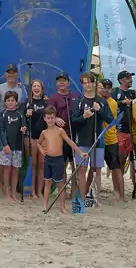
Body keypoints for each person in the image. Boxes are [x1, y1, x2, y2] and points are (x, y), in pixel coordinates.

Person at [70, 74, 112, 205]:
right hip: (82, 140)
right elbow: (73, 121)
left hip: (97, 140)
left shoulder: (101, 101)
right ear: (82, 85)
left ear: (94, 84)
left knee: (97, 169)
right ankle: (82, 198)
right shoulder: (79, 101)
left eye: (90, 82)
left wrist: (100, 111)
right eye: (85, 83)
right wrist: (84, 116)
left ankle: (96, 198)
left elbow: (111, 120)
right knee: (81, 169)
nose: (87, 85)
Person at [38, 105, 84, 214]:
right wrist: (41, 151)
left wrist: (81, 153)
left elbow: (70, 142)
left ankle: (62, 207)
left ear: (55, 118)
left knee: (60, 184)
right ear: (44, 118)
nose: (50, 120)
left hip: (58, 160)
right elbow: (38, 143)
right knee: (47, 183)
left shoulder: (60, 131)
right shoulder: (44, 132)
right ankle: (45, 205)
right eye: (48, 118)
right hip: (48, 159)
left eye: (52, 118)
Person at [46, 74, 79, 193]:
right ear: (56, 83)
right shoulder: (53, 98)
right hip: (60, 136)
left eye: (64, 80)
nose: (62, 83)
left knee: (75, 164)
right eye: (59, 81)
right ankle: (62, 191)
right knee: (62, 164)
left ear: (68, 83)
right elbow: (48, 115)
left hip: (74, 134)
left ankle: (74, 192)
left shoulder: (75, 96)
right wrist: (55, 119)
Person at [0, 90, 27, 202]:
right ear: (5, 102)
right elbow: (1, 131)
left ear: (16, 102)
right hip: (6, 147)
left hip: (17, 146)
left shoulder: (20, 115)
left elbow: (24, 128)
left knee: (15, 170)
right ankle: (6, 191)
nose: (11, 102)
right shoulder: (2, 114)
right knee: (6, 169)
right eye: (8, 100)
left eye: (13, 100)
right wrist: (5, 145)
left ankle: (13, 192)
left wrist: (24, 130)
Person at [110, 72, 136, 192]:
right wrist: (122, 103)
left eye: (130, 78)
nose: (130, 80)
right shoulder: (116, 91)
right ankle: (116, 188)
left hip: (129, 131)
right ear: (121, 80)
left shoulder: (131, 93)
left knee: (124, 160)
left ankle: (120, 188)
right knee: (118, 160)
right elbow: (110, 103)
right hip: (118, 130)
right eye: (127, 78)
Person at [100, 81, 126, 202]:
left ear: (111, 90)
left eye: (108, 88)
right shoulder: (95, 99)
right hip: (98, 139)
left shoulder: (113, 103)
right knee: (94, 168)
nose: (106, 90)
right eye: (103, 88)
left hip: (110, 139)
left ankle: (121, 195)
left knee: (116, 167)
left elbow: (106, 117)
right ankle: (88, 193)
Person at [24, 79, 49, 199]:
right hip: (32, 137)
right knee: (32, 164)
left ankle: (39, 191)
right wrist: (26, 115)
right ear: (31, 89)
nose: (36, 88)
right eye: (34, 86)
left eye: (38, 86)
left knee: (42, 165)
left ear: (42, 89)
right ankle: (32, 191)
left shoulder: (46, 103)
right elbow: (22, 120)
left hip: (43, 138)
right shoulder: (27, 102)